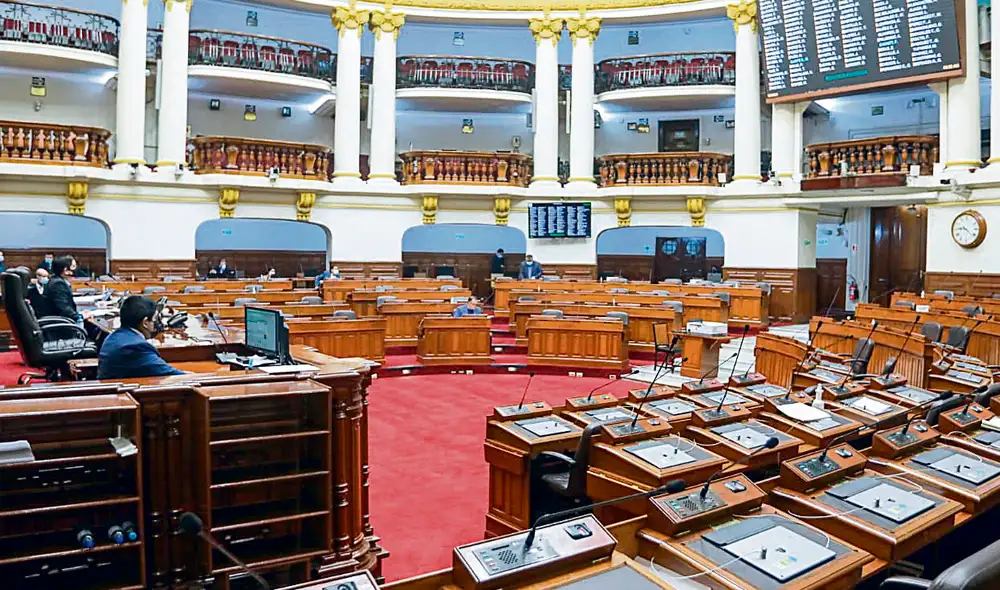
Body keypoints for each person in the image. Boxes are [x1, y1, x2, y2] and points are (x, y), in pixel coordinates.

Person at [97, 295, 183, 379]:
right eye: (154, 320)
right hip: (119, 391)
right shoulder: (134, 347)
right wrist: (195, 377)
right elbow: (173, 375)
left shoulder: (115, 336)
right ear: (145, 323)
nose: (157, 324)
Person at [43, 255, 81, 322]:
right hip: (61, 323)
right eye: (73, 266)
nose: (76, 269)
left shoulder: (55, 280)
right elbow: (63, 308)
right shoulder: (58, 284)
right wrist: (80, 316)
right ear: (65, 270)